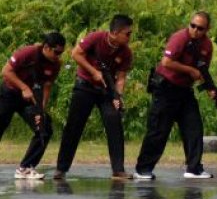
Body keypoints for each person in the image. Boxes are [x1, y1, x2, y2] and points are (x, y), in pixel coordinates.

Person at [135, 11, 217, 180]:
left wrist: (210, 87)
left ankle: (193, 168)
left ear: (207, 29)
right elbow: (167, 62)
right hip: (166, 88)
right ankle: (143, 169)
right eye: (192, 25)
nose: (195, 30)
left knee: (194, 128)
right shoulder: (180, 38)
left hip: (185, 91)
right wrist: (190, 70)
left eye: (200, 28)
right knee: (159, 130)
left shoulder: (207, 46)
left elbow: (202, 69)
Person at [54, 15, 134, 180]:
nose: (129, 37)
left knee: (115, 123)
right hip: (85, 86)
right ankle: (61, 169)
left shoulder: (126, 52)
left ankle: (118, 170)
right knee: (74, 127)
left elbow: (121, 77)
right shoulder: (96, 38)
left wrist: (118, 96)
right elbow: (76, 54)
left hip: (106, 91)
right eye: (127, 33)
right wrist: (94, 72)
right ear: (116, 32)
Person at [1, 32, 65, 180]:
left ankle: (25, 168)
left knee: (45, 128)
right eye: (56, 52)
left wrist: (40, 111)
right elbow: (6, 71)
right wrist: (24, 88)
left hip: (30, 99)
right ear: (47, 47)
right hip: (9, 93)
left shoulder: (56, 64)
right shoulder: (28, 52)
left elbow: (47, 86)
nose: (58, 56)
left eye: (61, 53)